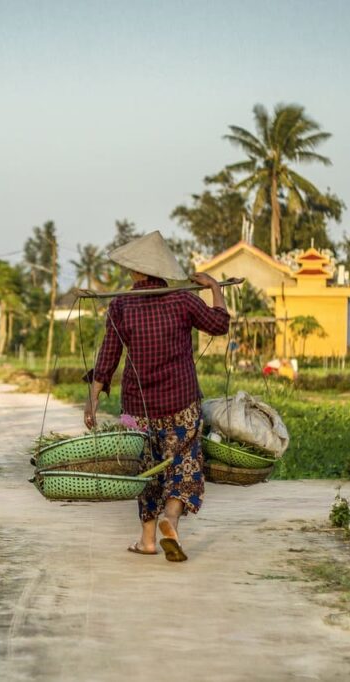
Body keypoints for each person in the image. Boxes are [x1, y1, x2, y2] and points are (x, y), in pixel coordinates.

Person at [84, 231, 230, 562]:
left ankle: (148, 539)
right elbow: (219, 324)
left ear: (136, 272)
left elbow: (108, 357)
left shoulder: (121, 305)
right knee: (184, 463)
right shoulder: (183, 299)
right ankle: (171, 521)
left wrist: (91, 399)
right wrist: (215, 288)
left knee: (146, 469)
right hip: (181, 402)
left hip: (136, 408)